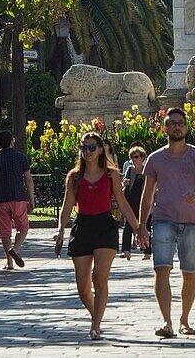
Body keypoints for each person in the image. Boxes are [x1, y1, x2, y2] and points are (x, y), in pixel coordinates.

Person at [53, 132, 140, 341]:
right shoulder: (74, 176)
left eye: (92, 147)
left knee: (99, 277)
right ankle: (96, 316)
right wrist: (60, 229)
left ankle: (96, 326)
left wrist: (138, 227)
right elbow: (67, 206)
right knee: (83, 289)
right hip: (82, 226)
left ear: (101, 149)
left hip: (105, 226)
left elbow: (122, 203)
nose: (87, 152)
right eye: (84, 148)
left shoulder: (111, 175)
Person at [137, 107, 195, 339]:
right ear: (165, 128)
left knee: (189, 271)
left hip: (190, 221)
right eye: (172, 123)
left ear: (186, 128)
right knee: (162, 270)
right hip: (162, 220)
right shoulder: (155, 158)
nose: (177, 126)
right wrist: (141, 225)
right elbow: (147, 195)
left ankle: (184, 320)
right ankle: (167, 321)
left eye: (181, 123)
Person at [0, 130, 35, 270]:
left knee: (5, 231)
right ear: (12, 141)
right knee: (23, 228)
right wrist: (32, 199)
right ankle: (15, 249)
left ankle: (9, 262)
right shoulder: (21, 158)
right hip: (18, 198)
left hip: (1, 199)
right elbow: (28, 180)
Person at [121, 146, 152, 260]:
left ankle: (147, 252)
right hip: (131, 201)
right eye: (132, 157)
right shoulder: (130, 170)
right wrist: (124, 183)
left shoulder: (147, 170)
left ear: (142, 157)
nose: (134, 159)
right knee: (128, 226)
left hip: (143, 202)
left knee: (146, 226)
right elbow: (124, 185)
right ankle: (126, 250)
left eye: (136, 157)